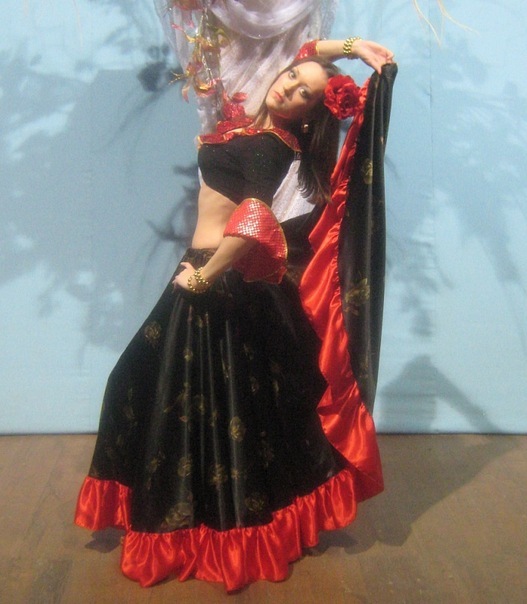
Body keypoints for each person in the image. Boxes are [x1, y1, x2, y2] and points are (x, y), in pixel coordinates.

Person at [75, 36, 395, 591]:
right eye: (293, 78)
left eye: (305, 94)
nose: (290, 88)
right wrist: (350, 48)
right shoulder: (254, 127)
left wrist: (205, 275)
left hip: (214, 275)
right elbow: (305, 50)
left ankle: (213, 531)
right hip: (211, 271)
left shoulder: (272, 145)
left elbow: (254, 221)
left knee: (194, 399)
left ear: (311, 114)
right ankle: (204, 514)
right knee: (207, 400)